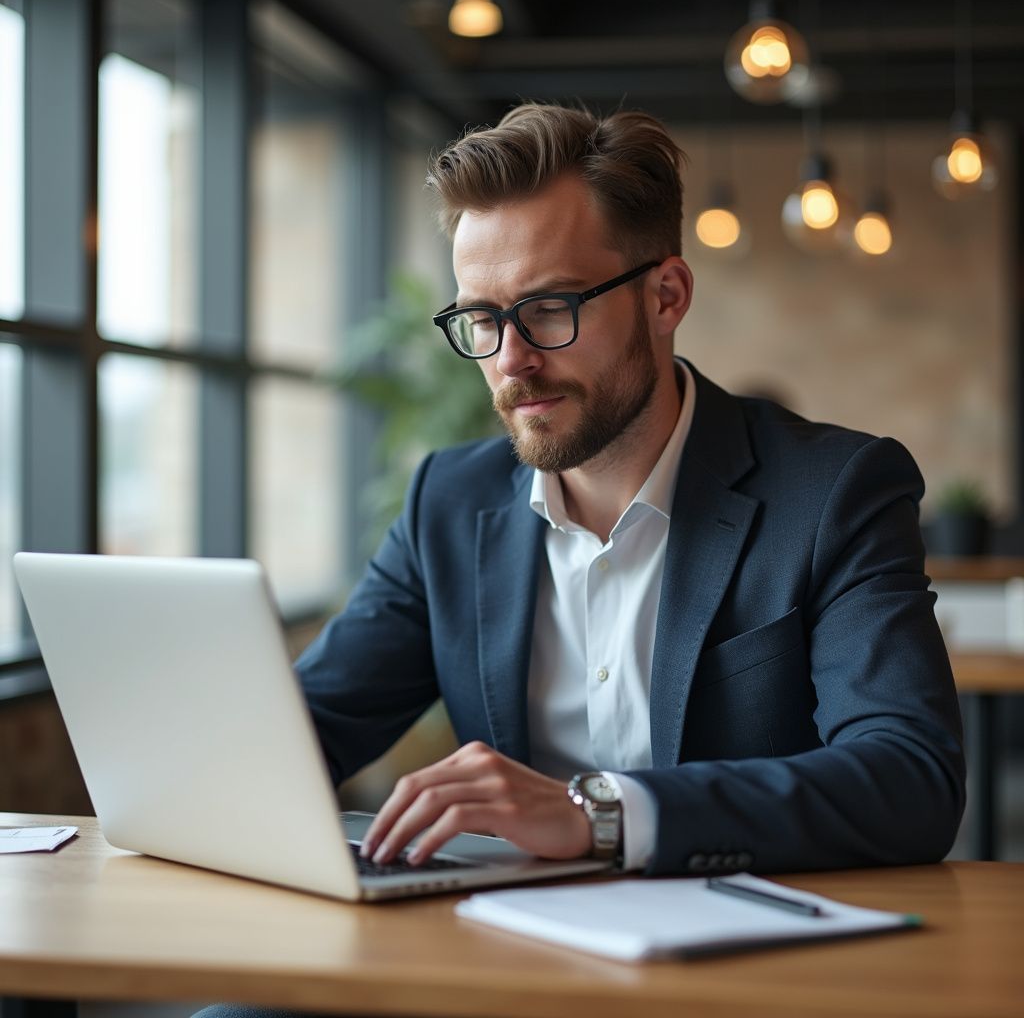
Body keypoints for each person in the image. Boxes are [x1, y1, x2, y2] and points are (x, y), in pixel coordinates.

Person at [193, 99, 965, 1018]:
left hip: (742, 979)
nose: (511, 360)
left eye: (548, 309)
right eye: (480, 318)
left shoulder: (835, 488)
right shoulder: (450, 500)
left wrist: (597, 814)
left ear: (667, 295)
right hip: (498, 967)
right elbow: (308, 729)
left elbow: (908, 777)